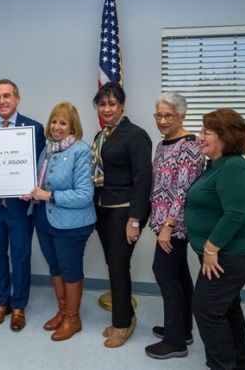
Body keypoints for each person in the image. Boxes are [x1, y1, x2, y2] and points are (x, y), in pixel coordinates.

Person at [185, 109, 245, 370]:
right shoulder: (215, 166)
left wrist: (210, 248)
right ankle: (243, 363)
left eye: (206, 132)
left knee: (206, 309)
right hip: (223, 253)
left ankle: (222, 365)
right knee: (227, 308)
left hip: (232, 255)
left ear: (225, 136)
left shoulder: (234, 167)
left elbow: (235, 215)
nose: (200, 136)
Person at [0, 79, 45, 331]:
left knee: (21, 256)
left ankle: (18, 306)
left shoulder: (34, 128)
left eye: (6, 96)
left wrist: (33, 188)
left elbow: (41, 166)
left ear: (17, 98)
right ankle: (1, 303)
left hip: (19, 209)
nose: (1, 101)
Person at [92, 82, 152, 348]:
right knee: (114, 265)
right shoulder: (102, 135)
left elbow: (143, 180)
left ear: (122, 106)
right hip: (104, 209)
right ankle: (126, 316)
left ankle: (122, 325)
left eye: (112, 103)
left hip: (125, 211)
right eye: (102, 104)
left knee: (118, 266)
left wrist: (135, 219)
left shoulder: (135, 135)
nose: (107, 108)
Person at [145, 93, 204, 359]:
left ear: (182, 116)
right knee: (180, 276)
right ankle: (183, 331)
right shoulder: (163, 143)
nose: (163, 120)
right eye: (159, 115)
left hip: (176, 225)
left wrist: (168, 225)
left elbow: (184, 190)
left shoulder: (189, 145)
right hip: (162, 222)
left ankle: (174, 341)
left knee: (165, 274)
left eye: (169, 115)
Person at [30, 102, 95, 341]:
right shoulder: (47, 150)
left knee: (70, 270)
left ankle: (73, 319)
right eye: (54, 121)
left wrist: (49, 195)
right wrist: (32, 191)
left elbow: (84, 195)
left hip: (72, 224)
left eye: (63, 122)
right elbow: (41, 183)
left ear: (72, 127)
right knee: (55, 268)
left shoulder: (81, 150)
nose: (57, 126)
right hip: (44, 219)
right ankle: (63, 311)